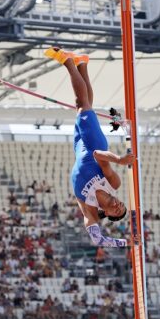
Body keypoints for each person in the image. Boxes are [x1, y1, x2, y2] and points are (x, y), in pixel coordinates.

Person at [45, 47, 133, 247]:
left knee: (86, 106)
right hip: (94, 145)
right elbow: (99, 156)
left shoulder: (89, 208)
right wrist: (119, 160)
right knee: (81, 104)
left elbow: (97, 238)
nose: (120, 207)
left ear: (107, 214)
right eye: (123, 207)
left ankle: (82, 63)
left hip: (79, 148)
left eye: (117, 212)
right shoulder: (113, 184)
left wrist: (122, 243)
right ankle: (67, 61)